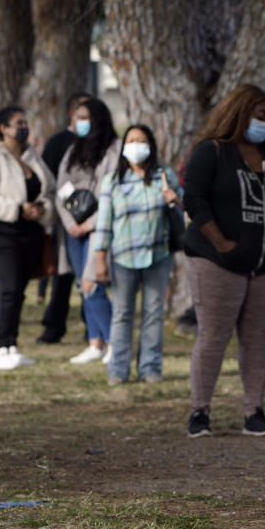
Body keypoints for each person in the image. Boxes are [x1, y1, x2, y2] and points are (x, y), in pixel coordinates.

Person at [182, 83, 265, 438]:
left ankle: (255, 413)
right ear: (238, 113)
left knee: (256, 339)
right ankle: (200, 413)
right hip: (217, 262)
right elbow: (195, 200)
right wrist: (222, 243)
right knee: (214, 336)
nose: (264, 122)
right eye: (257, 115)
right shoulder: (211, 151)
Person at [94, 124, 181, 385]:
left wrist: (174, 199)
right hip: (123, 257)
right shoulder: (113, 180)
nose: (135, 145)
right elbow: (104, 222)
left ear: (151, 145)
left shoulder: (164, 175)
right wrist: (100, 257)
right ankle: (118, 370)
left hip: (158, 254)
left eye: (141, 140)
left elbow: (184, 211)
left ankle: (150, 367)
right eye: (131, 140)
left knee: (154, 312)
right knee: (122, 313)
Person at [0, 106, 56, 371]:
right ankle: (1, 347)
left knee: (18, 290)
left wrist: (41, 208)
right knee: (8, 288)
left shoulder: (33, 156)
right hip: (1, 233)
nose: (24, 127)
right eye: (18, 123)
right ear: (4, 128)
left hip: (30, 232)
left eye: (25, 122)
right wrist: (18, 208)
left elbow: (49, 188)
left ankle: (12, 346)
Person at [55, 98, 120, 365]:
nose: (79, 122)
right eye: (76, 117)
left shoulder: (114, 150)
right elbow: (60, 187)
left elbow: (114, 191)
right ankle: (96, 343)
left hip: (98, 226)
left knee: (92, 283)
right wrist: (70, 221)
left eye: (84, 117)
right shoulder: (73, 150)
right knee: (83, 287)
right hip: (73, 229)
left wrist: (90, 223)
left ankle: (117, 342)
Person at [37, 91, 92, 344]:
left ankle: (92, 328)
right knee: (62, 276)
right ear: (73, 114)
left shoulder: (99, 142)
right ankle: (54, 326)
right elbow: (49, 181)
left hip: (92, 221)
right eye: (82, 114)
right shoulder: (58, 143)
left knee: (89, 277)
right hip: (64, 221)